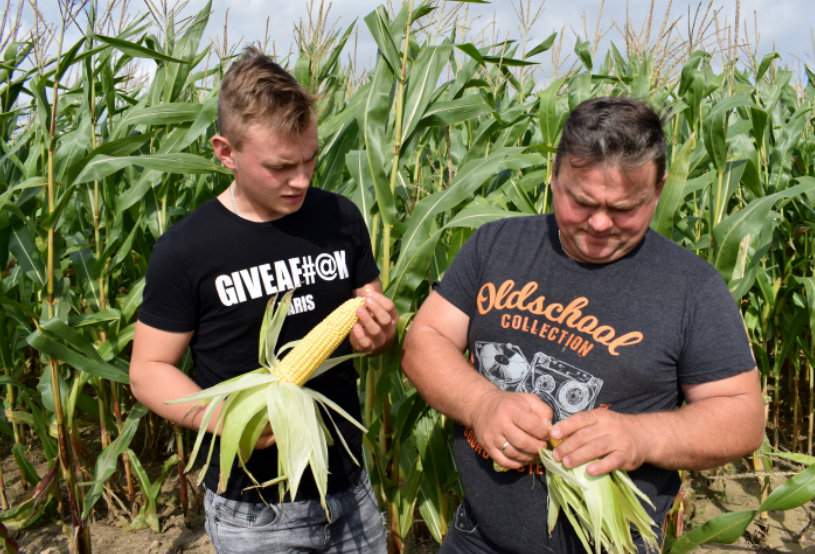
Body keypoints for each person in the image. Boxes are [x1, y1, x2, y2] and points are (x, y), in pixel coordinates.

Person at [402, 96, 764, 553]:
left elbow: (742, 416)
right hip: (478, 537)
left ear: (659, 190)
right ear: (554, 177)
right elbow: (425, 341)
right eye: (582, 201)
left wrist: (640, 436)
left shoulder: (692, 289)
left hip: (610, 543)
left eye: (624, 209)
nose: (598, 223)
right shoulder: (496, 245)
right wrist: (483, 405)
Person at [129, 47, 396, 554]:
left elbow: (371, 323)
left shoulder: (339, 218)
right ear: (225, 152)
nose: (301, 179)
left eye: (310, 159)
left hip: (350, 490)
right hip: (255, 510)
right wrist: (229, 420)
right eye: (280, 167)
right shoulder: (187, 249)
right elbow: (148, 370)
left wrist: (381, 333)